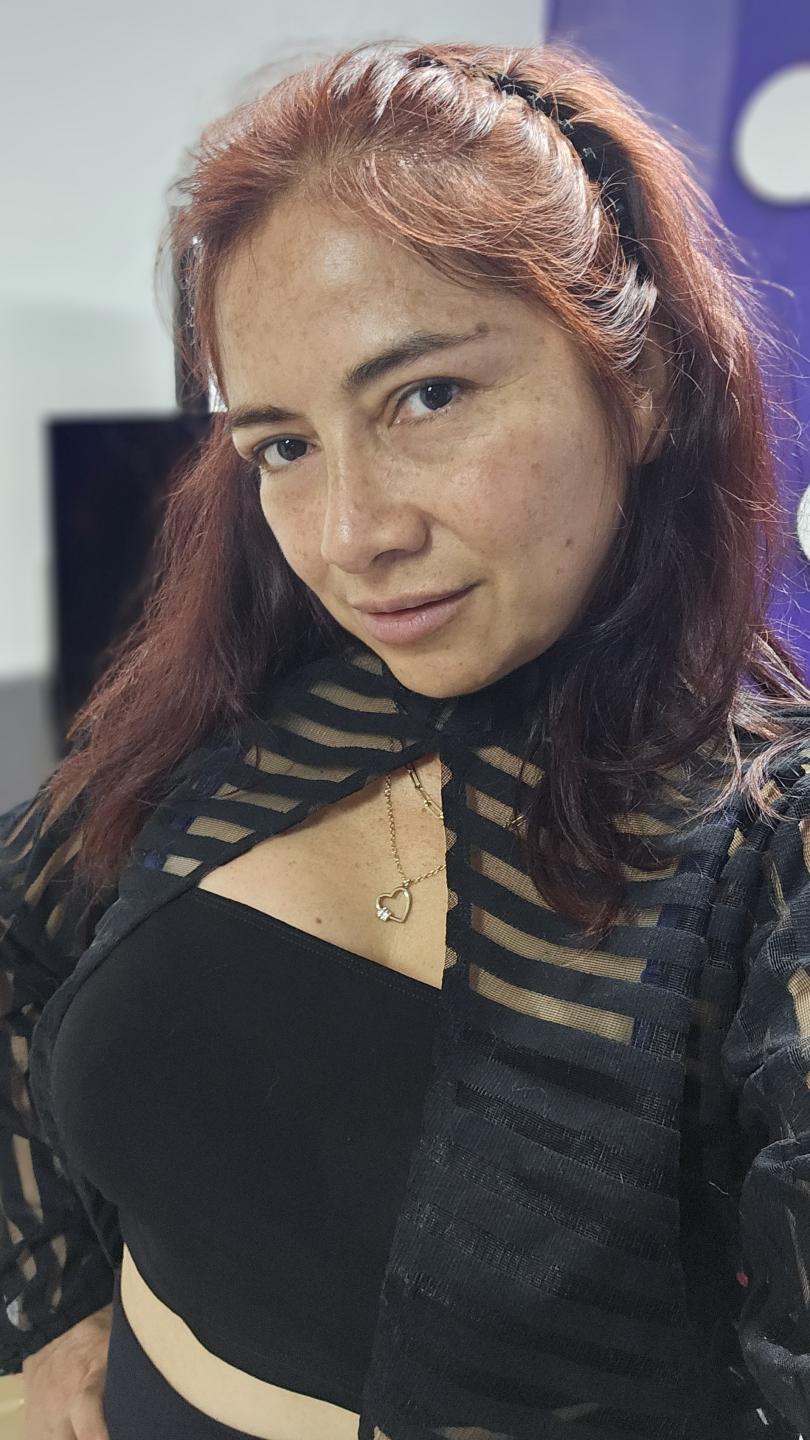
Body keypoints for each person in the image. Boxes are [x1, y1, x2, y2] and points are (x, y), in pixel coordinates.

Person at [2, 35, 810, 1440]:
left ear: (641, 384)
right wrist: (60, 1297)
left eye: (427, 396)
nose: (349, 535)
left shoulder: (769, 858)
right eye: (282, 446)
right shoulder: (254, 713)